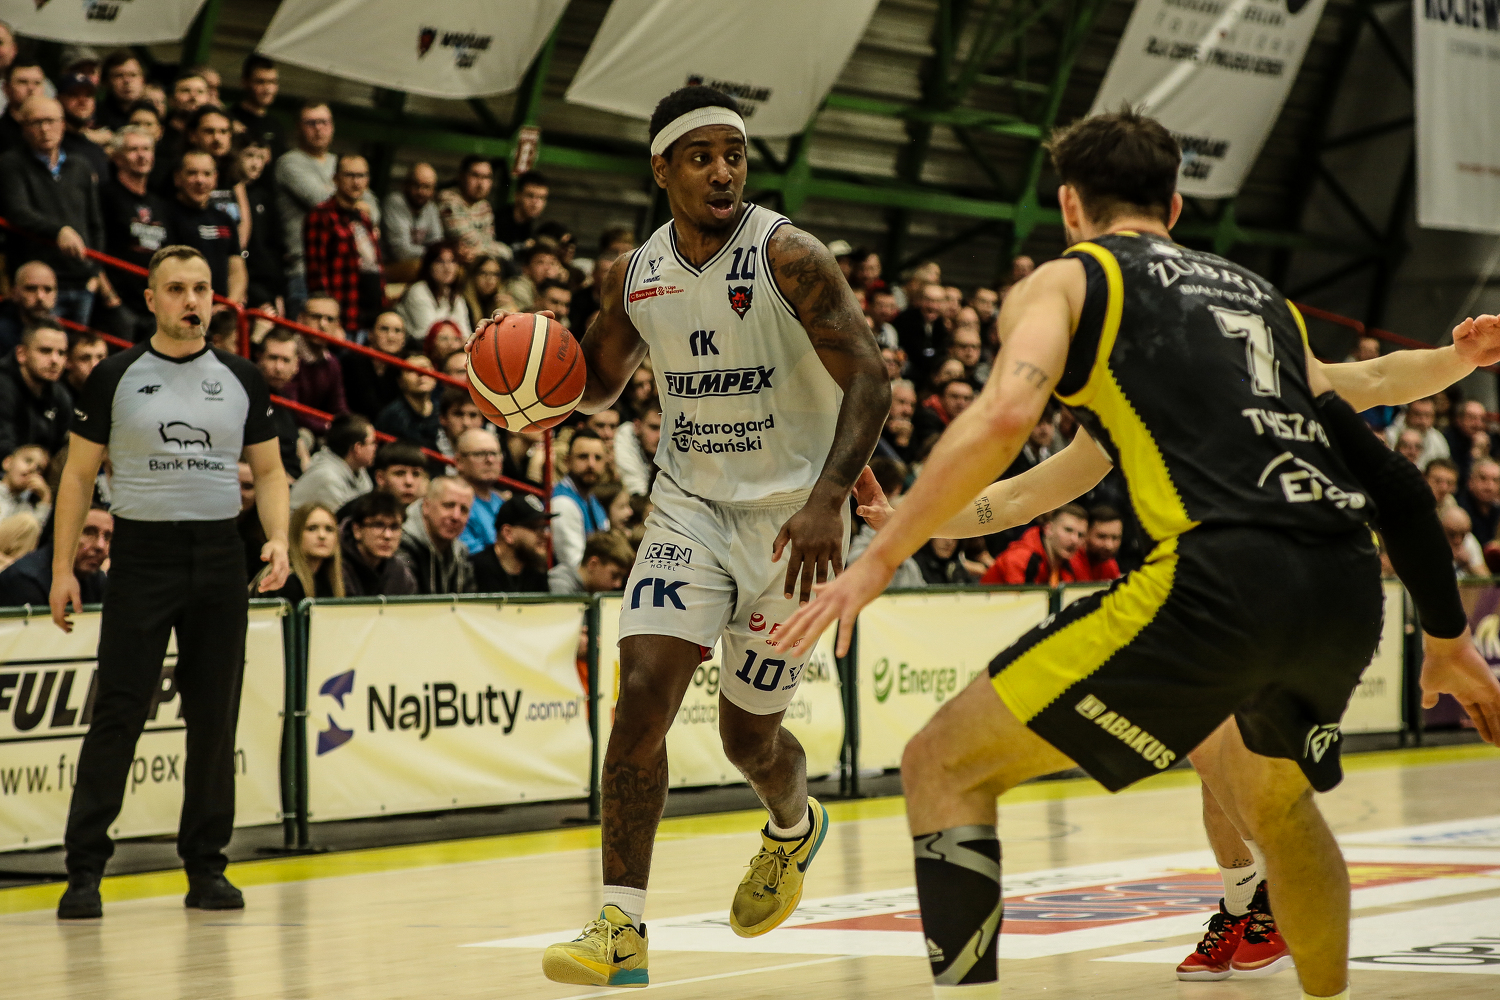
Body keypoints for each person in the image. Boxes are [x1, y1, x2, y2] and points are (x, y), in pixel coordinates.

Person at [772, 107, 1500, 1000]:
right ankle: (1282, 944)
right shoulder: (1253, 301)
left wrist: (880, 557)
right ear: (1177, 206)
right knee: (1269, 799)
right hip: (1343, 584)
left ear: (1069, 206)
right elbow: (1374, 400)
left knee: (941, 765)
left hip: (1220, 577)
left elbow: (1005, 418)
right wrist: (1458, 370)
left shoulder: (1072, 281)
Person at [535, 85, 888, 989]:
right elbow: (599, 383)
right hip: (689, 510)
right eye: (701, 157)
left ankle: (792, 827)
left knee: (746, 742)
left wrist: (830, 497)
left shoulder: (790, 256)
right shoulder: (633, 274)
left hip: (794, 525)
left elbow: (870, 378)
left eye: (734, 154)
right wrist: (533, 388)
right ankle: (621, 926)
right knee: (641, 696)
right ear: (662, 170)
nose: (723, 171)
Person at [51, 244, 290, 921]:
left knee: (214, 718)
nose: (193, 301)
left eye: (203, 289)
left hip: (219, 556)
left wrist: (277, 538)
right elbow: (77, 476)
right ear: (151, 299)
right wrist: (63, 568)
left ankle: (207, 867)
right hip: (142, 557)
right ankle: (84, 871)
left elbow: (270, 472)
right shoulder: (114, 375)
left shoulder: (242, 377)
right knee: (119, 712)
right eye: (178, 289)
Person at [0, 95, 107, 327]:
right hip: (37, 282)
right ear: (23, 128)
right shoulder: (11, 163)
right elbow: (17, 211)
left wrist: (94, 271)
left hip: (81, 280)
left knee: (79, 346)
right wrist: (59, 230)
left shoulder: (80, 165)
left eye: (51, 121)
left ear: (62, 124)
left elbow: (96, 224)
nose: (45, 129)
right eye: (36, 122)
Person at [97, 126, 169, 340]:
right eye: (133, 149)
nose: (141, 155)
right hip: (118, 305)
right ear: (118, 158)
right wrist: (110, 297)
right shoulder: (105, 196)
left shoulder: (159, 203)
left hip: (153, 307)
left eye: (146, 149)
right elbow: (93, 246)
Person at [304, 154, 384, 334]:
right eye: (350, 175)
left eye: (362, 176)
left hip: (368, 319)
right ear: (336, 178)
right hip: (341, 319)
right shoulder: (321, 215)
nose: (356, 182)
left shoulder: (364, 218)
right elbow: (317, 273)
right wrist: (331, 320)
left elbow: (374, 267)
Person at [275, 102, 337, 320]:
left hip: (337, 268)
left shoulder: (339, 163)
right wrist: (348, 198)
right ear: (298, 127)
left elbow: (373, 210)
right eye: (311, 123)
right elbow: (320, 199)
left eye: (323, 122)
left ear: (332, 126)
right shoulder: (290, 163)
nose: (318, 128)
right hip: (303, 268)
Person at [162, 150, 246, 303]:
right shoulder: (163, 216)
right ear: (177, 178)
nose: (200, 180)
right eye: (192, 173)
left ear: (215, 179)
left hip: (221, 309)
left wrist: (229, 304)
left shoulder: (225, 219)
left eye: (207, 174)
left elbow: (236, 270)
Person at [0, 504, 110, 606]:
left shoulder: (97, 579)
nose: (100, 546)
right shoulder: (24, 581)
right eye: (88, 532)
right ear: (61, 532)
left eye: (108, 537)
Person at [0, 322, 72, 459]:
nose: (55, 360)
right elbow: (4, 450)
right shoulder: (3, 386)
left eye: (61, 353)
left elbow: (63, 448)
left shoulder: (60, 395)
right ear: (21, 354)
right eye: (45, 351)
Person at [397, 475, 475, 595]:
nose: (456, 516)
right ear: (426, 506)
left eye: (464, 509)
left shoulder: (461, 552)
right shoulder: (401, 545)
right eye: (448, 505)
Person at [979, 504, 1086, 585]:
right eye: (1068, 530)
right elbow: (1022, 604)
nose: (1074, 540)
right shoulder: (1020, 558)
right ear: (1048, 528)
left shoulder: (1072, 562)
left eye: (1080, 535)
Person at [290, 413, 375, 512]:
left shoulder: (359, 470)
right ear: (358, 448)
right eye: (373, 443)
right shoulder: (328, 478)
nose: (375, 448)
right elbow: (343, 519)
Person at [285, 296, 348, 428]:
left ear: (337, 325)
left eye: (330, 319)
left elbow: (338, 407)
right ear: (301, 319)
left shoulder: (332, 362)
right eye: (316, 317)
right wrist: (328, 427)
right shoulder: (286, 354)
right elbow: (292, 410)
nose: (323, 325)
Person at [471, 493, 554, 593]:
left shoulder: (537, 571)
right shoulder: (474, 570)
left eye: (544, 527)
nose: (545, 534)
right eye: (535, 527)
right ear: (508, 533)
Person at [340, 490, 417, 596]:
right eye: (378, 525)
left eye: (394, 527)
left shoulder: (401, 575)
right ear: (357, 530)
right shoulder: (336, 569)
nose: (387, 536)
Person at [550, 428, 608, 569]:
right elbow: (575, 566)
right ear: (567, 461)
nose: (591, 464)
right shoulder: (562, 503)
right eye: (583, 457)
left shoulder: (594, 502)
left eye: (598, 458)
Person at [437, 155, 508, 264]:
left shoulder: (484, 206)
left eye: (486, 177)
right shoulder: (448, 199)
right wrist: (495, 250)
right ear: (462, 176)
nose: (481, 184)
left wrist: (479, 251)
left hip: (476, 260)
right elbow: (466, 239)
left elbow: (489, 240)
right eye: (475, 176)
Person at [269, 503, 344, 604]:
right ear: (296, 534)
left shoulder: (328, 579)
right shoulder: (286, 580)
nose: (322, 535)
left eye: (329, 529)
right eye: (312, 528)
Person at [395, 240, 470, 340]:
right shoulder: (418, 291)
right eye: (440, 261)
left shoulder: (456, 296)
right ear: (429, 266)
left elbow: (466, 334)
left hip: (452, 347)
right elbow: (430, 334)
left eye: (452, 261)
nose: (447, 267)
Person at [254, 328, 304, 477]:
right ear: (260, 358)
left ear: (296, 365)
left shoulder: (287, 400)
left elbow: (298, 450)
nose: (278, 368)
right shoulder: (248, 397)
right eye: (273, 358)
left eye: (286, 360)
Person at [342, 311, 409, 421]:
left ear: (404, 339)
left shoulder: (403, 367)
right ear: (371, 334)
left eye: (397, 331)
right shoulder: (353, 361)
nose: (391, 336)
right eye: (384, 329)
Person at [383, 163, 442, 282]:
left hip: (418, 261)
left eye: (427, 187)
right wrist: (431, 254)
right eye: (416, 185)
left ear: (433, 190)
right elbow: (401, 252)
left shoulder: (431, 208)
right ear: (406, 184)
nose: (421, 192)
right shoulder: (395, 203)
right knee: (419, 268)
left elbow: (437, 244)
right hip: (388, 265)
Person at [453, 427, 505, 553]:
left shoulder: (502, 502)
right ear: (459, 461)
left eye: (494, 454)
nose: (490, 460)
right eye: (480, 454)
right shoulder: (453, 503)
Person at [374, 352, 440, 450]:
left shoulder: (442, 409)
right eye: (412, 370)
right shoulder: (392, 417)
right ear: (400, 381)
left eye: (425, 368)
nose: (421, 374)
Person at [893, 281, 949, 383]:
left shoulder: (941, 325)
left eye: (938, 301)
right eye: (929, 300)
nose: (933, 306)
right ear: (919, 300)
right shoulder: (905, 320)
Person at [57, 73, 109, 179]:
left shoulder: (96, 149)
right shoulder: (53, 145)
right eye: (74, 95)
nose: (83, 101)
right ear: (59, 99)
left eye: (88, 95)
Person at [0, 261, 59, 353]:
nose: (40, 297)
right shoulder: (2, 333)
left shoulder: (61, 334)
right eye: (31, 289)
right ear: (14, 292)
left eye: (48, 289)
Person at [230, 55, 284, 156]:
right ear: (245, 82)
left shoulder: (276, 126)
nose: (267, 89)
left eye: (272, 82)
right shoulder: (230, 120)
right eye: (260, 82)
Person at [548, 531, 632, 594]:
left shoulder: (593, 591)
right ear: (593, 564)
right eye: (614, 576)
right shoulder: (561, 585)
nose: (618, 584)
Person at [1385, 396, 1449, 469]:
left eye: (1427, 415)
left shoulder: (1438, 440)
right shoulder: (1389, 435)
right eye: (1417, 414)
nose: (1422, 421)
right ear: (1407, 414)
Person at [614, 397, 661, 497]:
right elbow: (637, 494)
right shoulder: (624, 437)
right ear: (637, 426)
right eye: (654, 428)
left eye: (665, 429)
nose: (660, 436)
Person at [0, 60, 47, 153]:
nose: (31, 88)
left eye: (37, 83)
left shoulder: (57, 130)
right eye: (23, 82)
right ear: (6, 88)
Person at [495, 170, 549, 250]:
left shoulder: (534, 227)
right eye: (530, 196)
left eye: (541, 198)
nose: (536, 203)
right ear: (517, 196)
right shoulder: (496, 221)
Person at [505, 239, 561, 312]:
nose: (547, 268)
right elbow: (527, 316)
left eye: (551, 263)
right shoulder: (518, 287)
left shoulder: (551, 287)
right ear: (526, 269)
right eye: (540, 262)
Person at [96, 52, 146, 132]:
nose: (127, 81)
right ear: (106, 82)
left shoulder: (152, 114)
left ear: (142, 80)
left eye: (133, 75)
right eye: (119, 75)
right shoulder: (96, 115)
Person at [1071, 504, 1123, 581]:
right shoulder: (1069, 561)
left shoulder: (1110, 564)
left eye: (1115, 538)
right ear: (1086, 533)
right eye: (1101, 537)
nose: (1109, 546)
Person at [1445, 399, 1491, 483]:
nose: (1478, 424)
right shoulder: (1448, 440)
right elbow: (1459, 478)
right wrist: (1474, 455)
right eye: (1472, 418)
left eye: (1482, 419)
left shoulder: (1488, 438)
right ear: (1459, 419)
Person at [0, 443, 50, 521]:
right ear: (8, 462)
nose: (32, 468)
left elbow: (34, 526)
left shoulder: (25, 510)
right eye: (28, 461)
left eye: (39, 469)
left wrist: (46, 498)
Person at [435, 386, 485, 463]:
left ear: (482, 420)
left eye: (473, 415)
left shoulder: (494, 453)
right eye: (458, 414)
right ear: (443, 418)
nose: (466, 423)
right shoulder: (431, 450)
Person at [874, 378, 917, 464]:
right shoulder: (872, 432)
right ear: (887, 402)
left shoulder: (911, 434)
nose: (908, 411)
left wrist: (903, 441)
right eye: (901, 402)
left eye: (912, 405)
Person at [1458, 457, 1500, 544]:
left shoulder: (1497, 511)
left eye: (1495, 480)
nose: (1489, 486)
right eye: (1483, 478)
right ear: (1470, 481)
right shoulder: (1460, 510)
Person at [462, 254, 509, 326]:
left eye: (494, 274)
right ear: (474, 275)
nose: (489, 279)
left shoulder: (501, 301)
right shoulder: (463, 302)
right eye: (484, 273)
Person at [63, 333, 108, 398]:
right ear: (68, 361)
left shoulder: (110, 392)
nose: (94, 365)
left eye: (100, 358)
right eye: (85, 358)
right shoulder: (55, 394)